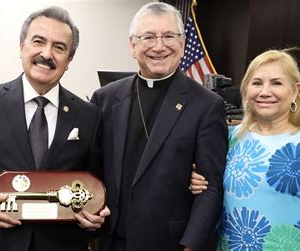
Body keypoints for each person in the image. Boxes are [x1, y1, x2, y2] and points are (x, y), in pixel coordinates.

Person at [0, 6, 109, 251]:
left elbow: (95, 180)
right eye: (38, 41)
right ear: (22, 47)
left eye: (59, 47)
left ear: (69, 59)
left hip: (63, 243)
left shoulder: (89, 114)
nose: (47, 54)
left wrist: (96, 212)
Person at [90, 2, 228, 250]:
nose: (159, 46)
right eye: (148, 37)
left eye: (168, 36)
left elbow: (211, 188)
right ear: (133, 46)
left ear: (183, 43)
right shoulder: (105, 98)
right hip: (112, 239)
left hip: (170, 242)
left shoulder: (207, 106)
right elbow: (93, 169)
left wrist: (191, 245)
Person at [191, 48, 300, 250]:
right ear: (246, 90)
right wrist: (195, 178)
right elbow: (209, 188)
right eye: (257, 83)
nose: (265, 92)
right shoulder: (231, 137)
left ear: (295, 91)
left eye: (276, 83)